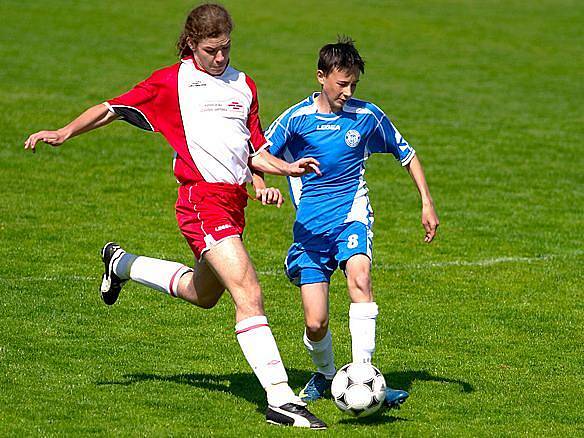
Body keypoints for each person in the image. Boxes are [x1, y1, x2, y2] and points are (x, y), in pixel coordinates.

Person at [24, 3, 327, 430]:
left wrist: (282, 171)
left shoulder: (245, 86)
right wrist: (64, 132)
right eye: (211, 50)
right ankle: (280, 398)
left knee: (203, 295)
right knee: (248, 291)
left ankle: (121, 264)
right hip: (200, 202)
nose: (221, 58)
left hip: (233, 203)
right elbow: (112, 107)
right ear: (191, 44)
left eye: (226, 48)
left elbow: (256, 150)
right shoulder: (172, 82)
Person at [264, 36, 439, 408]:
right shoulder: (297, 119)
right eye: (342, 83)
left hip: (351, 218)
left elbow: (406, 154)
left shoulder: (367, 116)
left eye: (353, 84)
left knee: (360, 278)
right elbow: (256, 154)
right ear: (321, 77)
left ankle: (365, 375)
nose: (348, 91)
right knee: (316, 324)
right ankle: (326, 376)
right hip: (310, 231)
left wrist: (426, 202)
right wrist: (262, 186)